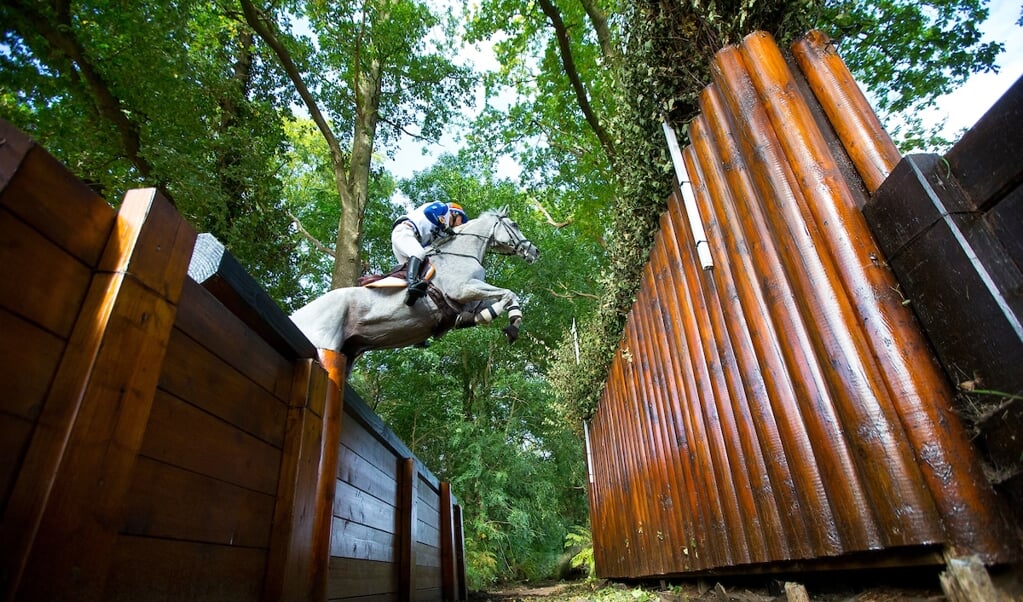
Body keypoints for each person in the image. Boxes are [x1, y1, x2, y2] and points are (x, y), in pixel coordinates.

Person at [391, 201, 468, 306]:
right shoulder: (443, 208)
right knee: (419, 253)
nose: (461, 224)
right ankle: (412, 285)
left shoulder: (442, 233)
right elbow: (429, 212)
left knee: (415, 271)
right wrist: (444, 226)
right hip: (405, 231)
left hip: (410, 240)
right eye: (461, 220)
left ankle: (406, 299)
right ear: (455, 213)